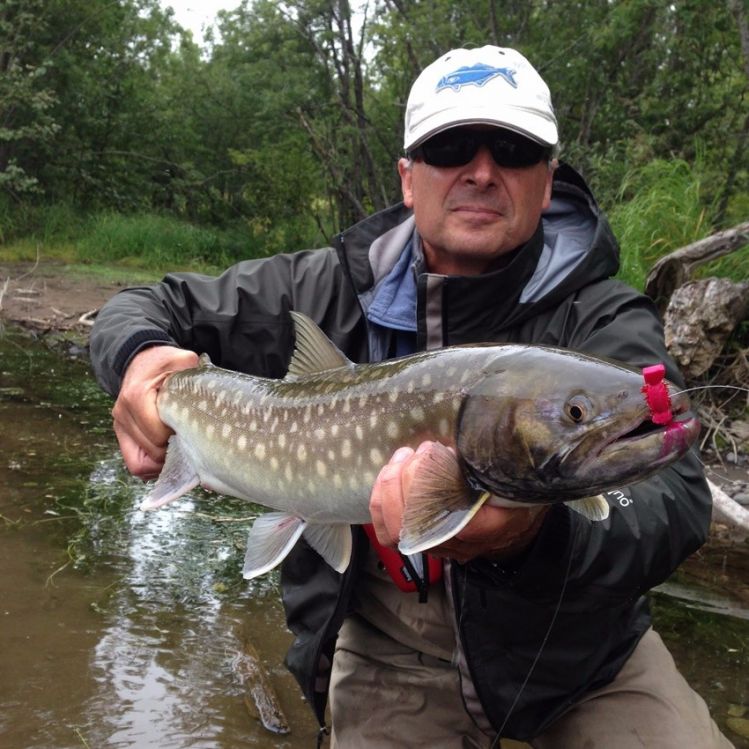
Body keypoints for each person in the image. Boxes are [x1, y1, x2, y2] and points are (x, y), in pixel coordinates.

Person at [90, 46, 733, 748]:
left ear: (547, 182)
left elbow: (674, 501)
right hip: (388, 644)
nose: (480, 171)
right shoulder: (321, 288)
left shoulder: (603, 320)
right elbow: (147, 304)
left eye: (513, 150)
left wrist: (533, 538)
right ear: (407, 177)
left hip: (582, 653)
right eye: (450, 146)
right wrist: (138, 359)